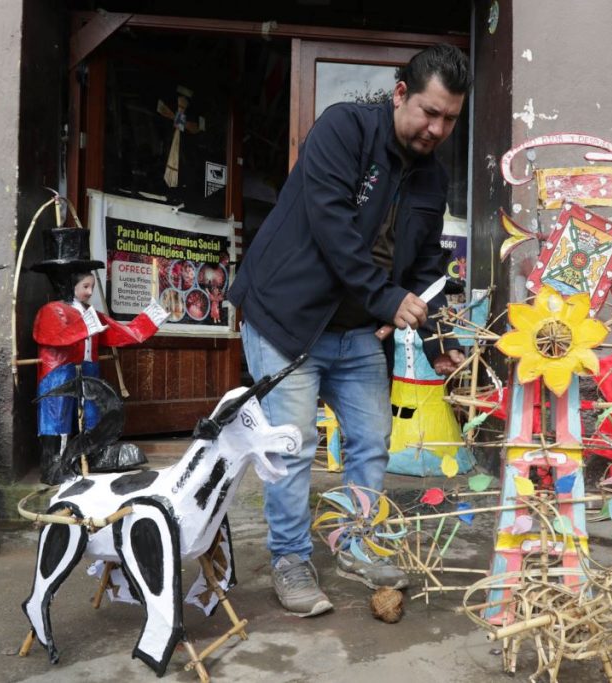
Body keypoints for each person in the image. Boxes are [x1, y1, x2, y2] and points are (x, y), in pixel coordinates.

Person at [228, 44, 471, 617]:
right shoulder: (344, 131)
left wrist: (438, 341)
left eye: (450, 118)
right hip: (287, 321)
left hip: (358, 330)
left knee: (370, 440)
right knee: (294, 448)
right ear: (400, 95)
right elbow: (332, 228)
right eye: (429, 112)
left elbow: (425, 269)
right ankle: (290, 558)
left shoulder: (431, 178)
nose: (437, 128)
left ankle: (355, 539)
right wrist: (389, 299)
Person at [33, 228, 169, 484]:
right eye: (85, 287)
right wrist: (85, 327)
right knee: (57, 416)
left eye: (91, 287)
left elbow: (118, 332)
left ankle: (93, 455)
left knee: (94, 412)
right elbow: (51, 336)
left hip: (88, 368)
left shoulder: (89, 312)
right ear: (69, 284)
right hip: (58, 371)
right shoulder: (52, 310)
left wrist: (150, 318)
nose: (89, 292)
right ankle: (54, 465)